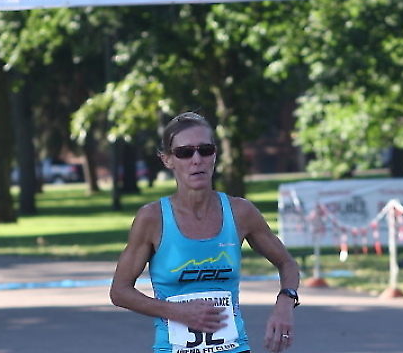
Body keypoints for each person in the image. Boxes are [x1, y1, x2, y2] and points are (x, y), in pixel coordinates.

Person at [110, 111, 300, 353]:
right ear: (168, 160)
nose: (197, 159)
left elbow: (287, 263)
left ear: (215, 155)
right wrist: (177, 312)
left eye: (205, 150)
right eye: (185, 152)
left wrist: (285, 303)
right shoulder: (152, 218)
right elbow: (120, 291)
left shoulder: (241, 212)